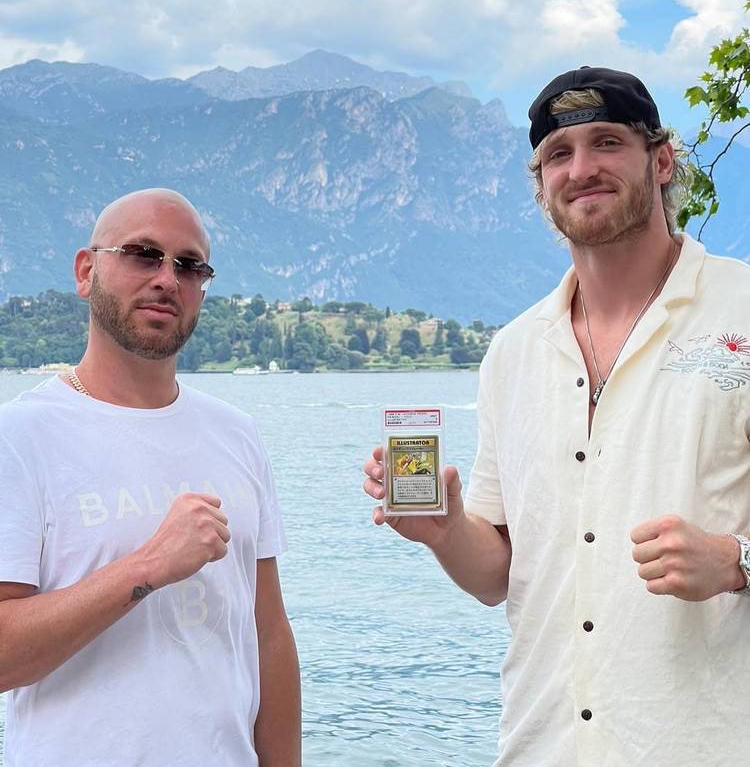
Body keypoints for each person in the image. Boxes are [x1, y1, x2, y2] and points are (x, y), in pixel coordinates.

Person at [363, 66, 750, 766]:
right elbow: (498, 576)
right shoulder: (513, 352)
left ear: (662, 160)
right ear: (541, 185)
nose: (581, 169)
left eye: (608, 142)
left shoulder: (742, 311)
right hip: (540, 747)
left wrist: (736, 561)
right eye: (558, 154)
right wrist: (444, 531)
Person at [0, 188, 301, 767]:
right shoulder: (20, 436)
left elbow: (268, 634)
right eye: (143, 254)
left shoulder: (237, 434)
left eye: (189, 266)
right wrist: (147, 566)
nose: (167, 279)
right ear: (86, 271)